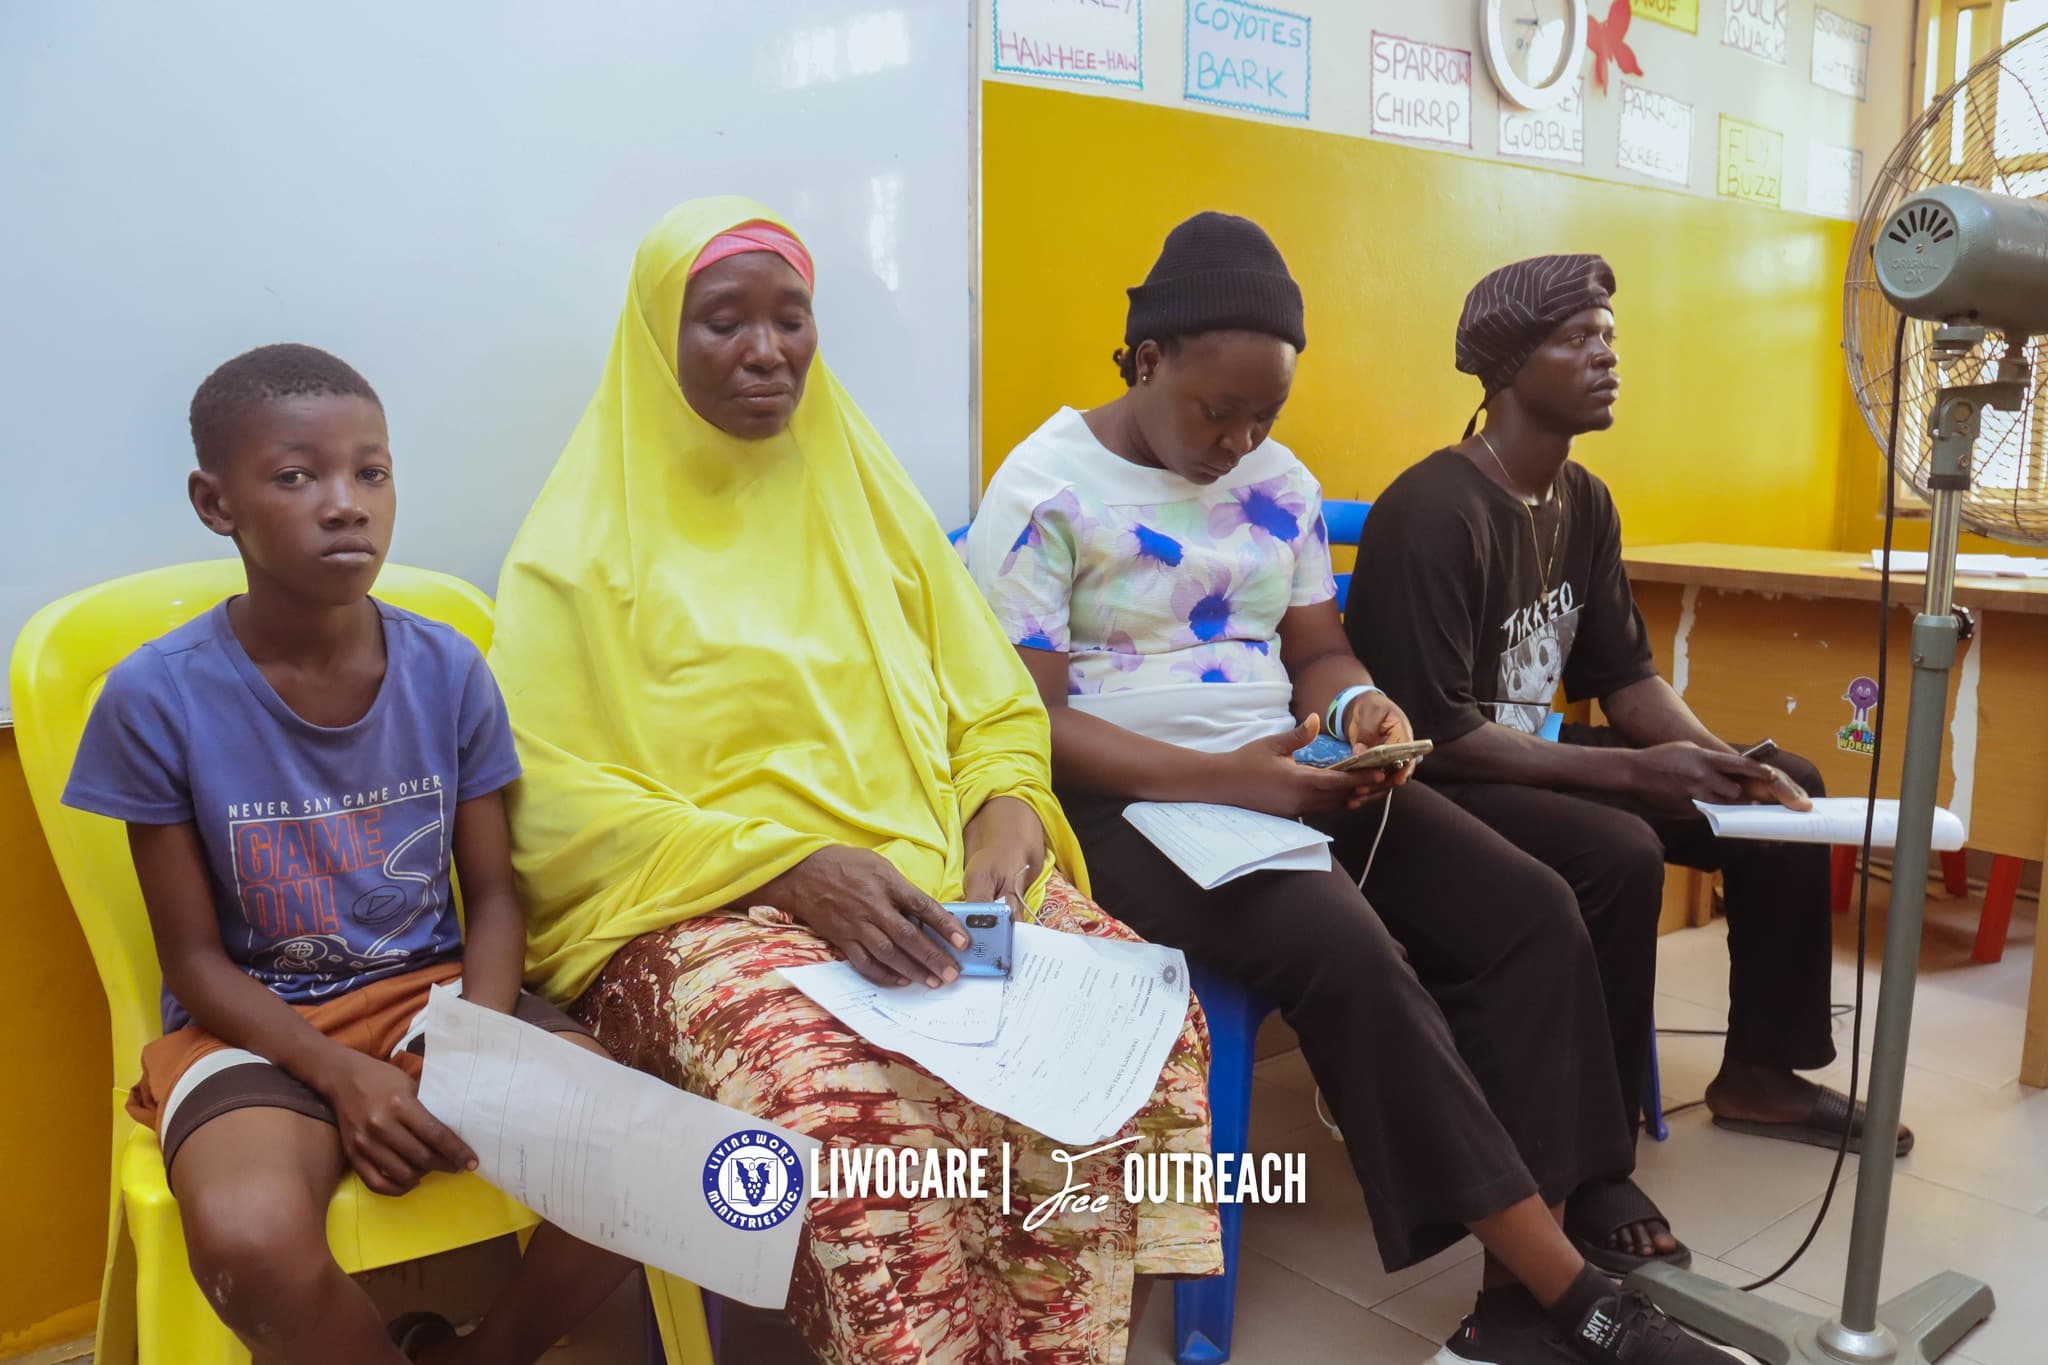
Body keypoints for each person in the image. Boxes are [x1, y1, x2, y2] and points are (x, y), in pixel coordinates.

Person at [967, 213, 1736, 1365]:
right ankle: (1569, 1295)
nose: (1237, 440)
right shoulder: (1044, 489)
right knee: (1345, 947)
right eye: (1213, 409)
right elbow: (1034, 725)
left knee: (1528, 908)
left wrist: (1352, 714)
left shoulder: (1277, 483)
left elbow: (1318, 651)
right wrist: (1236, 781)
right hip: (1122, 803)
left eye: (1261, 414)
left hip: (1282, 774)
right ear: (1143, 360)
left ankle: (1514, 1296)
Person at [485, 198, 1221, 1365]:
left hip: (925, 872)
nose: (766, 349)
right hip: (700, 910)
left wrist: (1003, 812)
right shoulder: (575, 554)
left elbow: (991, 705)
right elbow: (553, 803)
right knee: (837, 1091)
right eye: (722, 321)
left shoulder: (868, 502)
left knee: (1136, 1020)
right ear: (655, 343)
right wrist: (787, 868)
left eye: (791, 319)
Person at [61, 345, 636, 1365]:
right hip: (258, 1027)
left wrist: (469, 1040)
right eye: (296, 476)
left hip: (442, 999)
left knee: (649, 1159)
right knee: (247, 1241)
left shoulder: (448, 668)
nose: (345, 504)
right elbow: (192, 961)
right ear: (215, 500)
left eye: (370, 472)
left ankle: (478, 1357)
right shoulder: (156, 698)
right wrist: (337, 1073)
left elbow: (495, 896)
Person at [1347, 254, 1911, 1157]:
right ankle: (1594, 1147)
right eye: (1577, 338)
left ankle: (1761, 1072)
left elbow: (1627, 678)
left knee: (1781, 789)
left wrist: (1717, 761)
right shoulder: (1433, 512)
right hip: (1438, 787)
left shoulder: (1585, 502)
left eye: (1609, 337)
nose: (1607, 356)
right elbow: (1437, 737)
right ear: (1506, 367)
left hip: (1527, 762)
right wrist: (1639, 771)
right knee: (1619, 849)